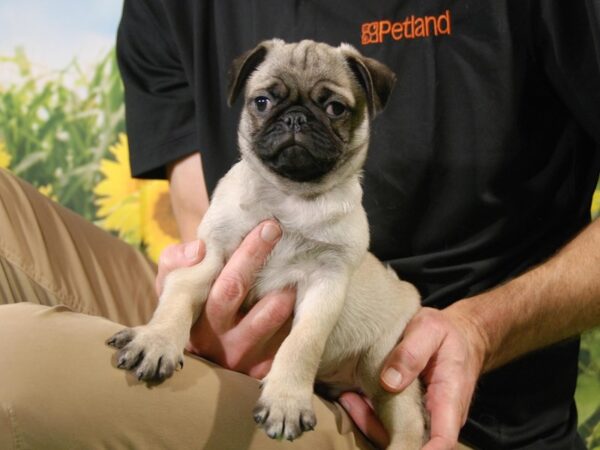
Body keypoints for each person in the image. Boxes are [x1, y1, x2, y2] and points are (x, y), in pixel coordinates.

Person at [1, 1, 599, 449]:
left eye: (330, 108)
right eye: (268, 104)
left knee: (13, 362)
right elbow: (197, 225)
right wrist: (200, 321)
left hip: (421, 391)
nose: (293, 122)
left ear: (366, 105)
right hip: (231, 333)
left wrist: (481, 330)